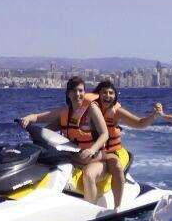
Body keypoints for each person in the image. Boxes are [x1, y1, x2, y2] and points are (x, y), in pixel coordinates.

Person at [19, 76, 109, 204]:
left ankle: (92, 210)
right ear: (68, 93)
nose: (77, 94)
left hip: (97, 159)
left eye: (80, 90)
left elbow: (105, 134)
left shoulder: (92, 109)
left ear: (84, 92)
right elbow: (41, 117)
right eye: (73, 91)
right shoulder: (64, 112)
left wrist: (91, 149)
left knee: (88, 175)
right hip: (74, 157)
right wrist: (28, 118)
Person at [91, 80, 162, 209]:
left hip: (114, 152)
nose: (108, 95)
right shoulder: (90, 109)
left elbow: (139, 123)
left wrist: (154, 115)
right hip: (96, 151)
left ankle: (117, 207)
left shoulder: (116, 112)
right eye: (104, 92)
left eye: (111, 93)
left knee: (116, 166)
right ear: (97, 95)